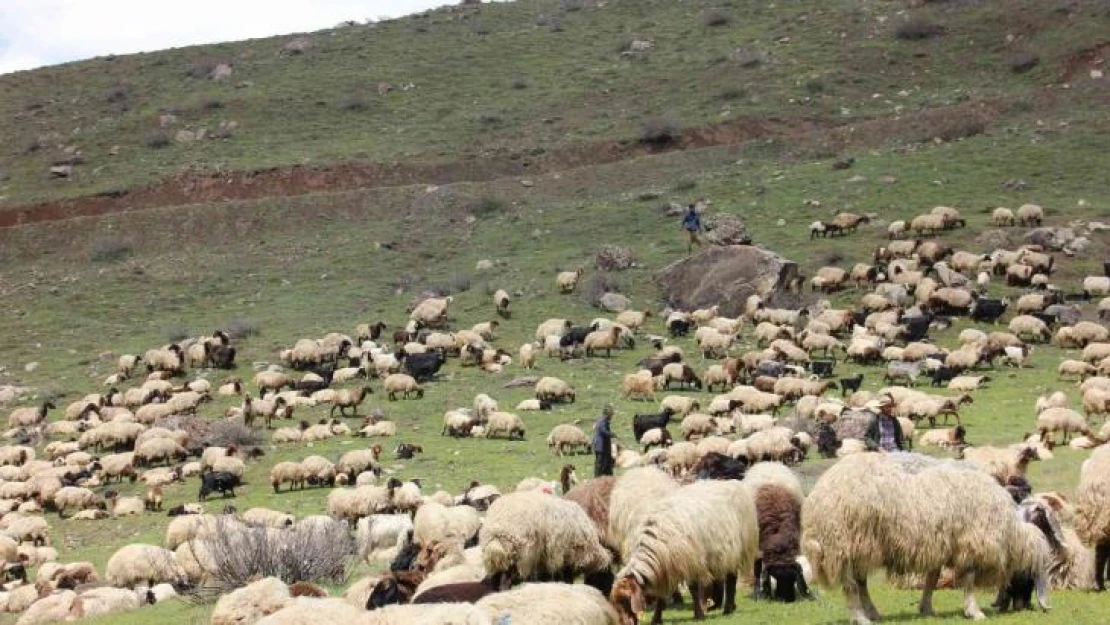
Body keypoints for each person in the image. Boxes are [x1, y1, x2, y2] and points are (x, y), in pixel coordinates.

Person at [592, 405, 616, 477]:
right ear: (607, 414)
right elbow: (603, 431)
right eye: (611, 415)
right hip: (601, 445)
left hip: (603, 445)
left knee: (606, 462)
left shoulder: (601, 419)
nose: (611, 417)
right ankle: (598, 477)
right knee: (600, 463)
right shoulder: (602, 421)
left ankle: (607, 476)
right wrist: (612, 434)